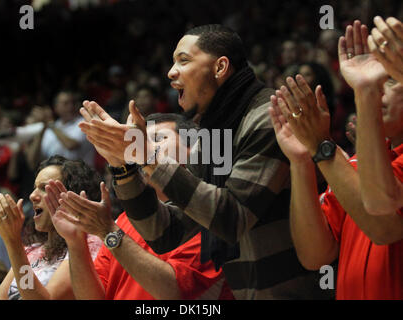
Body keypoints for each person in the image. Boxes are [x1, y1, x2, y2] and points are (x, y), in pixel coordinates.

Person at [78, 24, 330, 299]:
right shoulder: (213, 133)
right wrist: (122, 165)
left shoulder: (268, 117)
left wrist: (147, 155)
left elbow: (233, 218)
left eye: (183, 60)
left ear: (220, 67)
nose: (171, 72)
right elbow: (164, 233)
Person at [268, 20, 402, 299]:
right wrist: (302, 161)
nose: (378, 89)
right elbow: (315, 255)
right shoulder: (354, 165)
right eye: (372, 82)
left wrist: (321, 147)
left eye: (388, 79)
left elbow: (384, 228)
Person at [44, 113, 234, 300]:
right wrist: (76, 242)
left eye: (157, 139)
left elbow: (173, 292)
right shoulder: (127, 220)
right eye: (139, 143)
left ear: (194, 152)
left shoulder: (210, 213)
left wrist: (108, 231)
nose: (141, 149)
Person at [0, 155, 102, 299]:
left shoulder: (88, 244)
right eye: (35, 188)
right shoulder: (32, 250)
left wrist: (14, 242)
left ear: (72, 196)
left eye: (44, 188)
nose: (33, 195)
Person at [357, 16, 403, 216]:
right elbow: (314, 249)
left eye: (392, 80)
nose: (380, 90)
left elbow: (381, 203)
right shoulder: (359, 160)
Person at [31, 91, 95, 168]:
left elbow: (71, 145)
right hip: (56, 176)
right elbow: (34, 161)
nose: (70, 107)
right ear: (56, 108)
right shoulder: (50, 129)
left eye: (73, 103)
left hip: (81, 176)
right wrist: (41, 129)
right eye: (66, 103)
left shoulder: (84, 122)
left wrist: (50, 124)